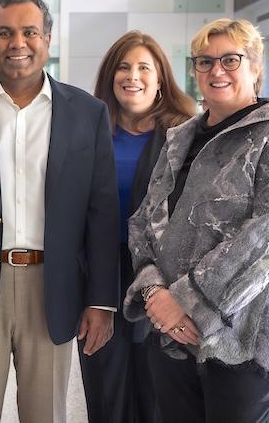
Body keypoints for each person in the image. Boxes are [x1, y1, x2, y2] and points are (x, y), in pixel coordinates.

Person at [0, 0, 119, 423]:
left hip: (53, 289)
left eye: (29, 32)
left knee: (47, 415)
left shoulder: (87, 114)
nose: (17, 42)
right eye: (5, 33)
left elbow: (102, 212)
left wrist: (101, 300)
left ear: (47, 39)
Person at [123, 18, 269, 423]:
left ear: (255, 66)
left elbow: (267, 239)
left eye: (230, 59)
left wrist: (183, 303)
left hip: (243, 339)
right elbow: (145, 220)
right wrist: (155, 296)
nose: (216, 71)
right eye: (204, 61)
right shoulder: (180, 137)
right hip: (172, 337)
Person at [82, 30, 196, 423]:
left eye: (144, 68)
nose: (133, 76)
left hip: (163, 280)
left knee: (158, 392)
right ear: (110, 76)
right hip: (101, 278)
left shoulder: (185, 134)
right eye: (123, 67)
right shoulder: (90, 129)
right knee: (106, 392)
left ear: (160, 77)